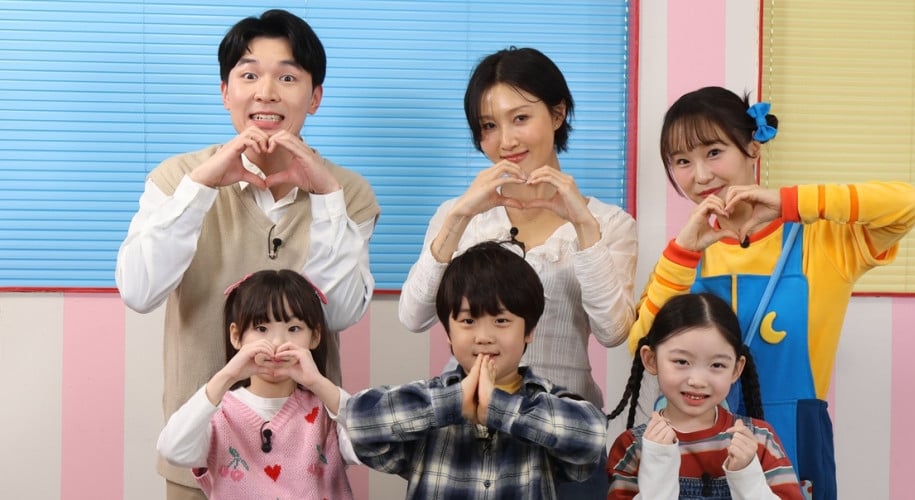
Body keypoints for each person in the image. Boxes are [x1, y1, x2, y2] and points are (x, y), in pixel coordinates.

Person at [115, 9, 379, 499]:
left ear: (315, 97)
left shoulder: (348, 191)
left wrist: (327, 200)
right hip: (200, 460)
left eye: (288, 77)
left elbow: (338, 313)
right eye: (250, 75)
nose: (266, 92)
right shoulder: (176, 179)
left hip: (307, 469)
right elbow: (139, 291)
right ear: (225, 91)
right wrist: (200, 188)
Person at [627, 86, 915, 499]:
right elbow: (640, 347)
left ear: (753, 147)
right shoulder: (683, 255)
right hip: (693, 442)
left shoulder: (822, 243)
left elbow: (907, 205)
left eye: (714, 152)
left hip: (794, 435)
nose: (700, 175)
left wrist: (788, 202)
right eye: (682, 161)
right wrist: (683, 253)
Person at [397, 46, 636, 497]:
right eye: (489, 126)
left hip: (562, 436)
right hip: (468, 434)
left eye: (520, 118)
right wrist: (460, 215)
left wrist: (583, 225)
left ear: (558, 113)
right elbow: (413, 316)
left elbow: (613, 331)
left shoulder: (610, 223)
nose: (505, 140)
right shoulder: (459, 215)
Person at [346, 241, 608, 499]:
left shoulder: (547, 401)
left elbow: (592, 438)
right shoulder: (430, 398)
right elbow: (358, 423)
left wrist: (498, 408)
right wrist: (454, 402)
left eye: (501, 321)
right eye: (468, 320)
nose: (483, 337)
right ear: (448, 333)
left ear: (529, 331)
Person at [157, 269, 359, 499]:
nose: (277, 342)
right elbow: (172, 449)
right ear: (236, 336)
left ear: (315, 337)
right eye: (261, 328)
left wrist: (319, 384)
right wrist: (227, 376)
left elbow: (374, 438)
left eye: (294, 329)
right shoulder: (217, 414)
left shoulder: (327, 413)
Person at [607, 293, 802, 499]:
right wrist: (658, 464)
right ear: (651, 359)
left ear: (736, 369)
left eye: (717, 365)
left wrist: (747, 476)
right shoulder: (632, 447)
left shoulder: (760, 440)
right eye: (682, 362)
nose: (698, 381)